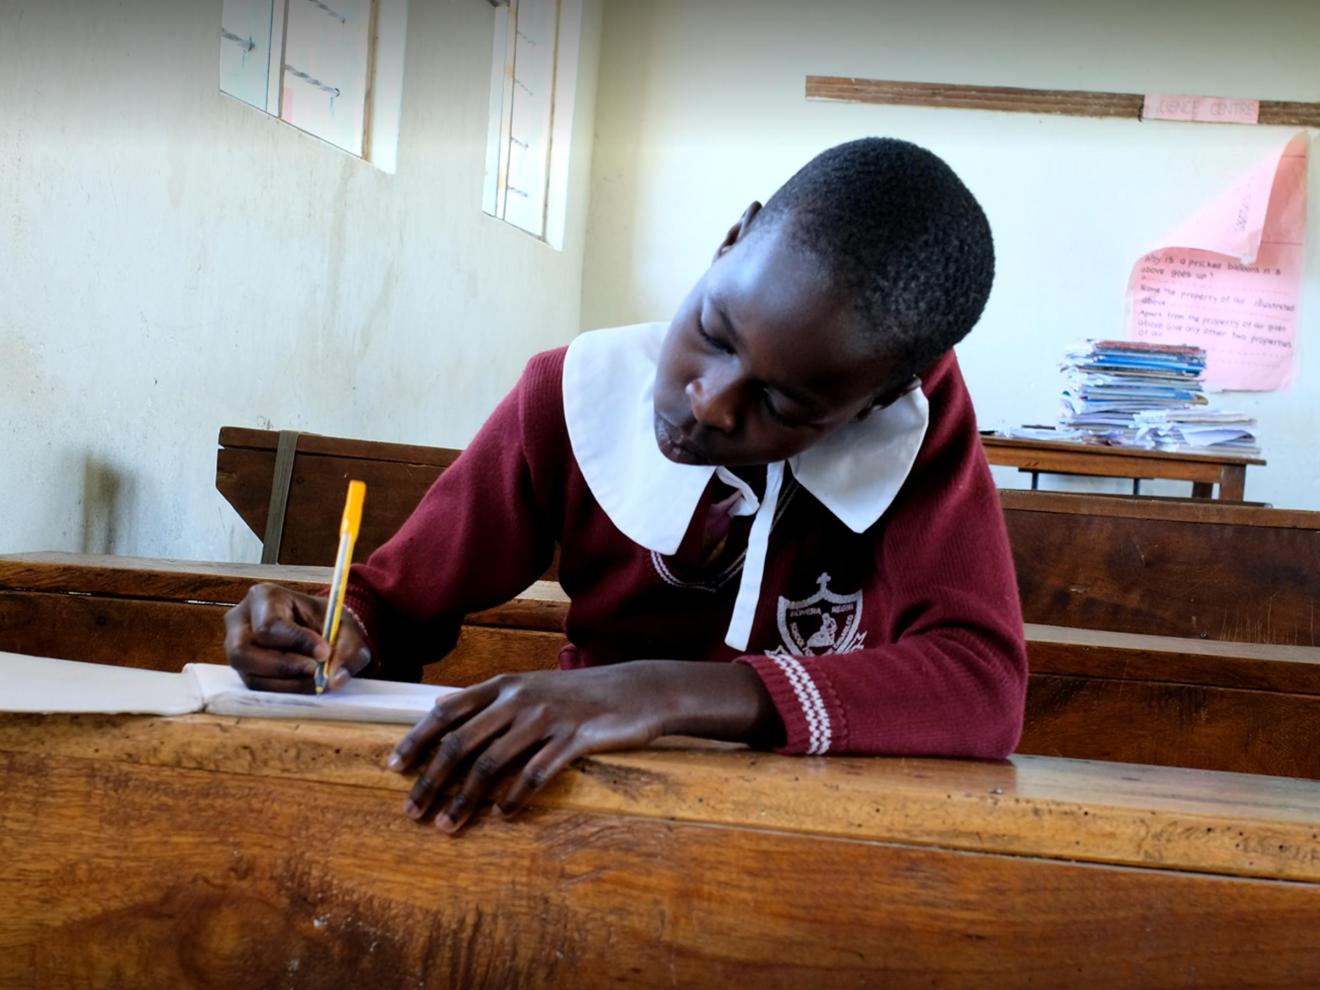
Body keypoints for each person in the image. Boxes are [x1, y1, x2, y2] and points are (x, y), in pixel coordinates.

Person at [224, 137, 1027, 833]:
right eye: (713, 332)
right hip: (572, 806)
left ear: (878, 401)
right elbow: (394, 603)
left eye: (783, 404)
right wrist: (322, 634)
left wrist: (655, 694)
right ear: (730, 242)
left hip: (810, 834)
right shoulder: (574, 392)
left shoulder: (915, 435)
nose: (707, 399)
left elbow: (982, 687)